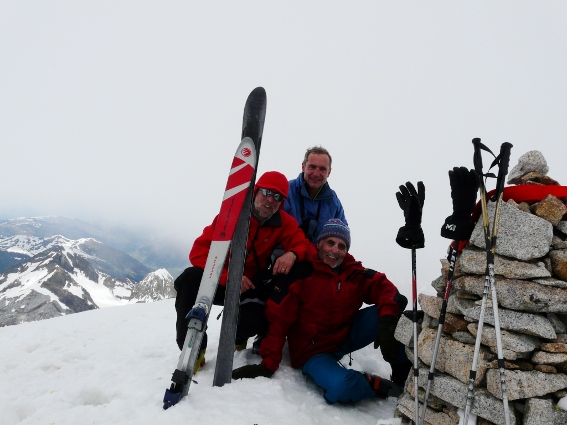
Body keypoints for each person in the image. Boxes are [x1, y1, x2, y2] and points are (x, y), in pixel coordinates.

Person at [232, 219, 412, 404]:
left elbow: (384, 287)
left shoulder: (353, 272)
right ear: (319, 244)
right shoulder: (301, 273)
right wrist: (268, 364)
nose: (335, 250)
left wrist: (388, 320)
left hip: (345, 335)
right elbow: (278, 318)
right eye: (330, 243)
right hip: (313, 352)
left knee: (394, 316)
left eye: (341, 246)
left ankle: (403, 377)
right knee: (342, 387)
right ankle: (371, 384)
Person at [174, 171, 311, 372]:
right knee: (188, 279)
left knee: (253, 318)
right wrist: (229, 278)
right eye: (266, 192)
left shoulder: (283, 222)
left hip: (250, 286)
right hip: (221, 280)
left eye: (277, 197)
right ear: (255, 192)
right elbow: (198, 252)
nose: (270, 200)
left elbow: (305, 245)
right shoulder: (230, 215)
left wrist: (293, 254)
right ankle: (194, 349)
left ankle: (240, 335)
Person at [284, 146, 347, 241]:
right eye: (312, 167)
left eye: (322, 169)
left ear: (329, 172)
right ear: (303, 167)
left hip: (317, 255)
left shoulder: (333, 202)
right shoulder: (285, 191)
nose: (316, 174)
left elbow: (342, 237)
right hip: (284, 252)